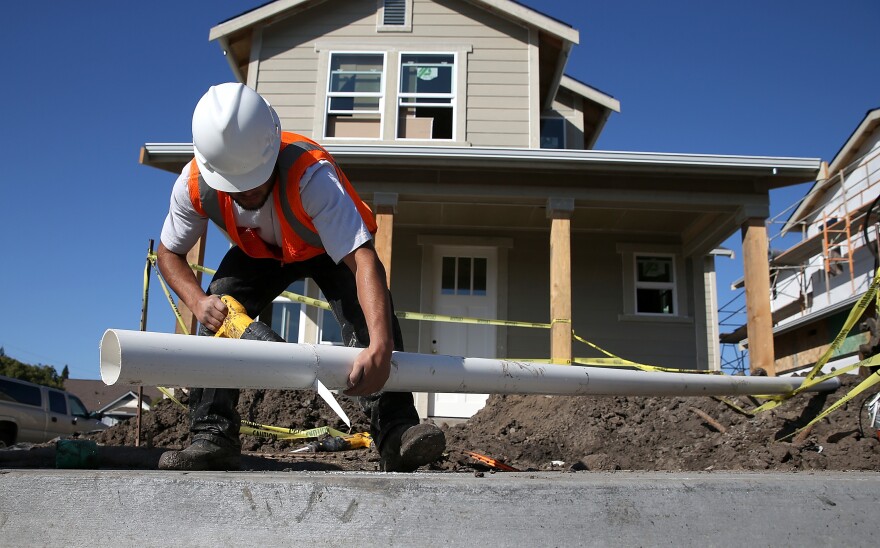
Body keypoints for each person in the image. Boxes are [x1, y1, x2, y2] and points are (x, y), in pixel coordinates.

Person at [156, 82, 445, 472]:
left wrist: (380, 346)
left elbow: (363, 262)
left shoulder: (312, 177)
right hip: (258, 253)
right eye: (236, 187)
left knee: (367, 318)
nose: (248, 192)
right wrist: (196, 302)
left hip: (324, 249)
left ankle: (396, 432)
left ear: (272, 149)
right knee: (219, 304)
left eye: (256, 181)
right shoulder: (194, 185)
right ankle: (212, 436)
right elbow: (168, 252)